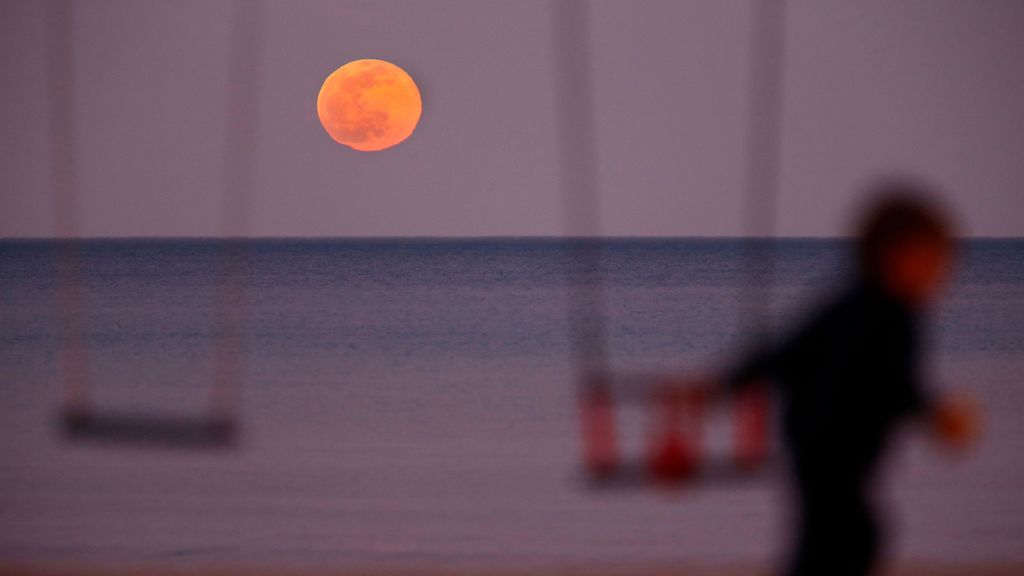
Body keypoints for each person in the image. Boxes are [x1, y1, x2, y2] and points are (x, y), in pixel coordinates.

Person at [719, 178, 979, 576]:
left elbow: (777, 356)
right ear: (901, 255)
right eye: (938, 260)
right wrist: (938, 415)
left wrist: (719, 386)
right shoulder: (895, 317)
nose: (943, 275)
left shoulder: (839, 307)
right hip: (842, 483)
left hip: (813, 468)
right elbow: (895, 385)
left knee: (817, 552)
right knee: (851, 540)